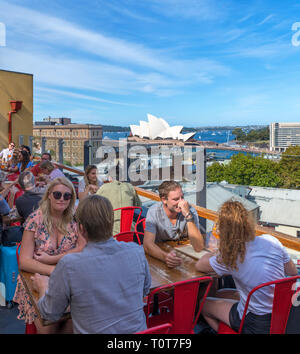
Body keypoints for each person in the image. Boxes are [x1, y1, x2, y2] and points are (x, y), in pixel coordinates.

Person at [31, 194, 151, 334]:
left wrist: (43, 286)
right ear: (111, 223)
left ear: (81, 229)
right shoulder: (136, 251)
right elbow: (144, 290)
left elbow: (49, 313)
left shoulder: (69, 265)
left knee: (43, 324)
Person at [195, 200, 298, 334]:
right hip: (283, 314)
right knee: (222, 293)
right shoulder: (272, 240)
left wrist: (220, 249)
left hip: (256, 323)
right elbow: (293, 272)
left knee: (203, 304)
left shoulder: (230, 257)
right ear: (248, 223)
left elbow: (200, 265)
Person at [13, 177, 86, 334]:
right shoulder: (35, 220)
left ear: (71, 199)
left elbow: (82, 248)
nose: (62, 199)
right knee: (50, 326)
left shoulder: (75, 218)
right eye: (57, 194)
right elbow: (25, 262)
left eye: (67, 196)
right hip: (37, 277)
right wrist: (53, 270)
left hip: (67, 276)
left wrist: (52, 259)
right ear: (48, 196)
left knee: (73, 320)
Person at [143, 180, 204, 268]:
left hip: (185, 258)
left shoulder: (190, 211)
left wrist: (188, 216)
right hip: (162, 256)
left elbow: (198, 246)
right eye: (176, 199)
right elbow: (147, 244)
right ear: (164, 200)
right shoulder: (154, 212)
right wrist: (165, 257)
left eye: (182, 197)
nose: (181, 202)